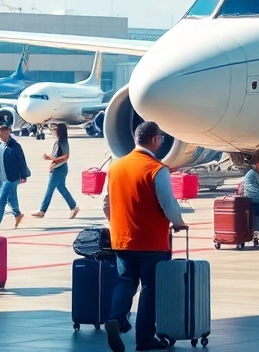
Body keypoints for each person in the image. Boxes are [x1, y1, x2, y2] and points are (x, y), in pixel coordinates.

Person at [104, 121, 187, 352]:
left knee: (126, 281)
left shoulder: (116, 167)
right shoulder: (156, 168)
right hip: (151, 241)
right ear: (154, 140)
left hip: (121, 238)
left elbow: (105, 203)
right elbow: (168, 202)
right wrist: (178, 222)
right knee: (150, 288)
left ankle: (115, 319)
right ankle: (144, 339)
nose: (161, 141)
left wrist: (118, 223)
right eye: (161, 137)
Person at [31, 122, 79, 219]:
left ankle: (42, 210)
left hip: (59, 169)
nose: (53, 131)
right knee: (62, 188)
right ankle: (73, 206)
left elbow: (66, 156)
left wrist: (53, 160)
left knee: (50, 190)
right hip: (57, 167)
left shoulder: (63, 141)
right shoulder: (58, 141)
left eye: (55, 129)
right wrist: (49, 158)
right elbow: (56, 156)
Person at [0, 124, 31, 229]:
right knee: (11, 198)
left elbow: (22, 161)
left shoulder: (15, 146)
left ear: (7, 132)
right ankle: (18, 214)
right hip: (1, 177)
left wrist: (23, 176)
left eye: (1, 132)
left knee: (2, 198)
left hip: (13, 177)